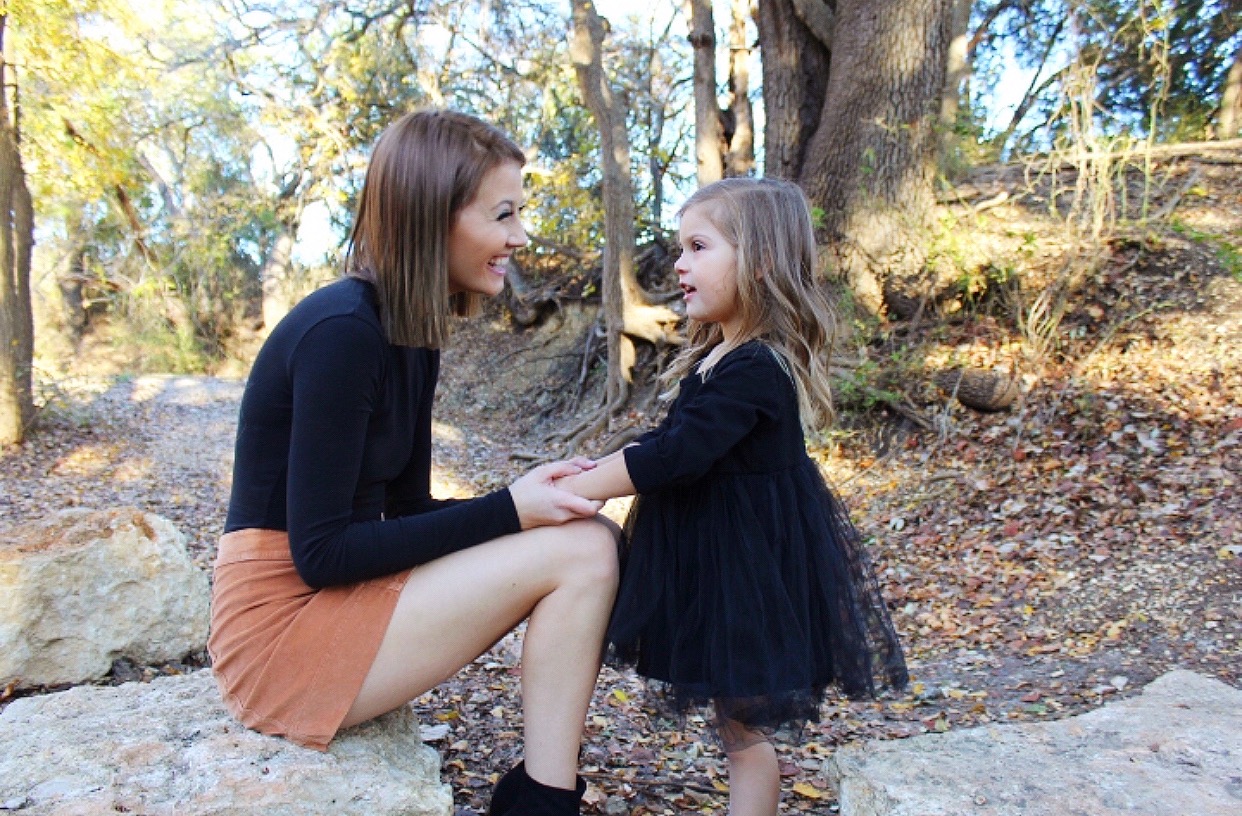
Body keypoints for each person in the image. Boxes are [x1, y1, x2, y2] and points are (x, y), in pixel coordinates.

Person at [207, 109, 619, 816]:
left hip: (332, 598)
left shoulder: (410, 333)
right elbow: (322, 554)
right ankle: (544, 803)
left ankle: (540, 794)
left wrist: (528, 505)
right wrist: (510, 511)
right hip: (277, 637)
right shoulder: (343, 332)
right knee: (582, 552)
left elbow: (410, 512)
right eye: (503, 214)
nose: (520, 236)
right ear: (433, 216)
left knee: (587, 535)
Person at [554, 178, 909, 816]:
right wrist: (586, 472)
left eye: (698, 247)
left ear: (761, 261)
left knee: (745, 736)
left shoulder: (756, 369)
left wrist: (576, 490)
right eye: (679, 248)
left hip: (745, 577)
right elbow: (666, 441)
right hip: (717, 568)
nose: (679, 264)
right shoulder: (721, 357)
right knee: (736, 729)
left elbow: (674, 458)